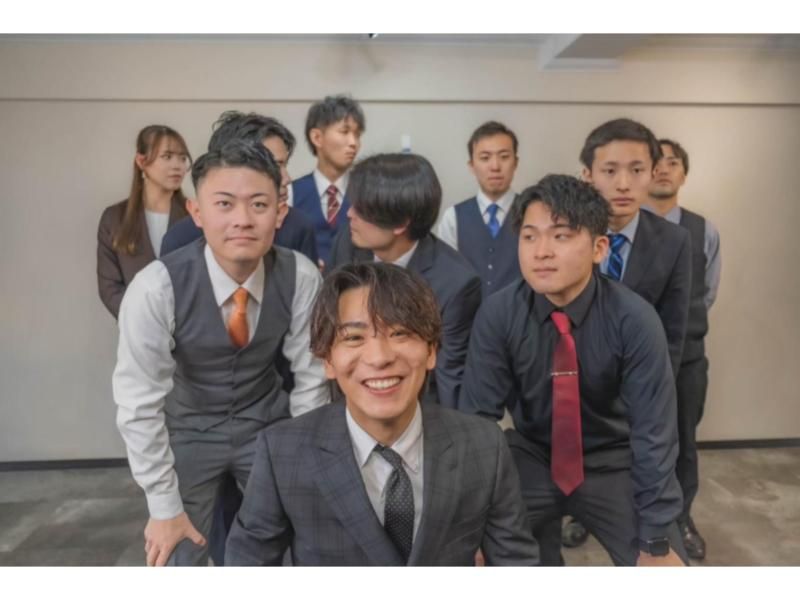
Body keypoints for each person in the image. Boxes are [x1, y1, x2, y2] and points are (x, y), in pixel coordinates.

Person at [225, 262, 539, 566]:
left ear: (431, 351)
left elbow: (517, 564)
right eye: (354, 337)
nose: (379, 358)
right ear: (328, 360)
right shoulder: (282, 452)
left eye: (400, 333)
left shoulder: (484, 446)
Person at [113, 140, 329, 566]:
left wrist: (302, 463)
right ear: (196, 212)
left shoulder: (301, 276)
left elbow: (312, 378)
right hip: (188, 429)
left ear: (280, 212)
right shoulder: (155, 288)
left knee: (301, 540)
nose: (242, 220)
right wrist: (163, 506)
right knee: (178, 551)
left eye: (259, 204)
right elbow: (138, 403)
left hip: (266, 424)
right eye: (224, 204)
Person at [459, 174, 688, 567]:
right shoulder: (499, 313)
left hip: (614, 460)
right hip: (531, 456)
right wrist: (470, 526)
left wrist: (655, 538)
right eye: (529, 237)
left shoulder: (634, 319)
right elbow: (477, 421)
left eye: (561, 236)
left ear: (599, 248)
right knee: (471, 561)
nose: (541, 252)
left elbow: (654, 433)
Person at [561, 118, 693, 549]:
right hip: (574, 384)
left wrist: (653, 394)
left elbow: (673, 330)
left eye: (636, 170)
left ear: (653, 172)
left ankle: (665, 521)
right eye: (609, 170)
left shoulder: (674, 241)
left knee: (647, 476)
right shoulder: (565, 237)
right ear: (587, 175)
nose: (623, 183)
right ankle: (579, 512)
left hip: (640, 388)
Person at [326, 153, 481, 409]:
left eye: (361, 209)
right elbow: (331, 333)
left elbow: (448, 378)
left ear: (400, 224)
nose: (350, 214)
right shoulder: (348, 244)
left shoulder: (456, 283)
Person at [645, 138, 722, 559]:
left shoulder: (702, 230)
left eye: (672, 162)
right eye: (655, 161)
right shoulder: (621, 228)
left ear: (683, 174)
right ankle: (591, 511)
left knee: (683, 440)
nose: (662, 168)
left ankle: (682, 517)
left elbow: (706, 293)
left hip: (687, 357)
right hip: (631, 357)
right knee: (616, 436)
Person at [160, 111, 318, 266]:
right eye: (272, 166)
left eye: (284, 165)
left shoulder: (299, 227)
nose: (286, 178)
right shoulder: (180, 238)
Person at [97, 125, 191, 319]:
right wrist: (144, 322)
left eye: (182, 158)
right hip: (136, 328)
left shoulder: (196, 217)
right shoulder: (115, 218)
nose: (177, 166)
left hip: (190, 329)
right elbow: (109, 288)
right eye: (167, 156)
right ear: (141, 161)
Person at [437, 121, 521, 297]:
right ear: (471, 166)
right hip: (468, 312)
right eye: (485, 158)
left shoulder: (530, 212)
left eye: (504, 156)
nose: (495, 166)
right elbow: (446, 277)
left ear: (515, 162)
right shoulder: (453, 217)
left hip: (521, 310)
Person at [291, 94, 365, 268]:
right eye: (344, 132)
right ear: (317, 137)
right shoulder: (291, 192)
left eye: (357, 134)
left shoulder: (366, 192)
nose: (353, 142)